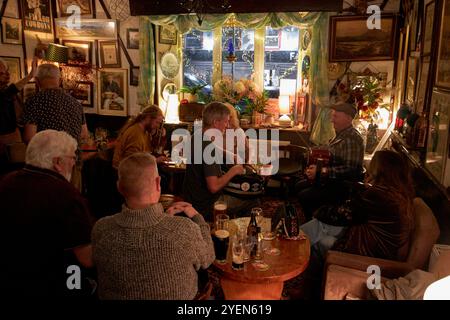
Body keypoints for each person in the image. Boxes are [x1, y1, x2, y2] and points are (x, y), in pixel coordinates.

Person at [92, 153, 215, 299]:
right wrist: (197, 217)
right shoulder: (184, 230)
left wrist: (165, 219)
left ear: (119, 187)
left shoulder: (101, 229)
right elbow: (208, 257)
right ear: (158, 183)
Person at [0, 130, 94, 297]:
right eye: (73, 157)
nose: (74, 163)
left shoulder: (6, 181)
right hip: (49, 283)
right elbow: (86, 258)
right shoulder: (66, 194)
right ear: (58, 162)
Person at [300, 150, 415, 262]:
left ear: (380, 170)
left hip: (370, 251)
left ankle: (290, 246)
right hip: (379, 247)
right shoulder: (401, 192)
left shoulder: (379, 195)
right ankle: (293, 242)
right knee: (322, 226)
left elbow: (344, 213)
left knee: (322, 233)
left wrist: (317, 213)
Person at [182, 102, 259, 221]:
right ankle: (239, 233)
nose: (227, 126)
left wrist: (224, 153)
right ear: (216, 122)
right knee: (252, 200)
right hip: (205, 205)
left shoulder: (196, 135)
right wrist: (233, 171)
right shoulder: (208, 147)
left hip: (192, 198)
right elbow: (214, 186)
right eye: (226, 121)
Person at [297, 102, 365, 220]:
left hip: (341, 187)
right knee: (299, 186)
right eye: (332, 116)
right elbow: (330, 154)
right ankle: (314, 219)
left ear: (348, 118)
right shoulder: (341, 134)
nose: (332, 120)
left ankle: (320, 222)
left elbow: (351, 169)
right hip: (332, 180)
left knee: (304, 195)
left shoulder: (351, 138)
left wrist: (322, 171)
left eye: (336, 116)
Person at [23, 63, 88, 143]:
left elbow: (29, 138)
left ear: (36, 80)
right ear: (60, 80)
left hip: (48, 154)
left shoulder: (34, 101)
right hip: (73, 154)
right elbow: (84, 135)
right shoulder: (75, 102)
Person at [112, 105, 168, 169]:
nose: (158, 126)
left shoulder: (145, 132)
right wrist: (155, 160)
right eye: (157, 122)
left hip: (132, 169)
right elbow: (132, 161)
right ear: (148, 118)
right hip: (124, 172)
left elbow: (146, 154)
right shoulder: (135, 133)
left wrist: (162, 137)